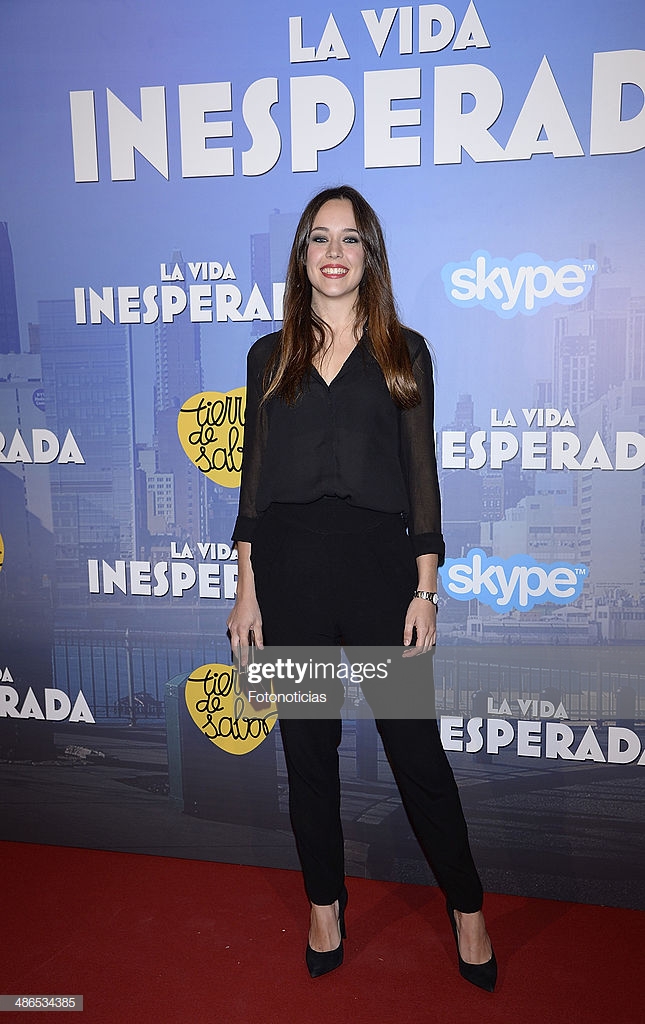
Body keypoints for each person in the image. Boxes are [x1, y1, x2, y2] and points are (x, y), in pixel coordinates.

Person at [227, 185, 496, 990]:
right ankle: (322, 904)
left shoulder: (402, 352)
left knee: (415, 754)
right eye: (318, 238)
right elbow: (252, 482)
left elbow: (423, 478)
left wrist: (426, 589)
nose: (333, 251)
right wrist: (246, 587)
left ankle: (467, 908)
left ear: (368, 256)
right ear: (301, 255)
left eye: (349, 238)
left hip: (383, 571)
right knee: (307, 750)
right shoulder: (266, 357)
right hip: (288, 567)